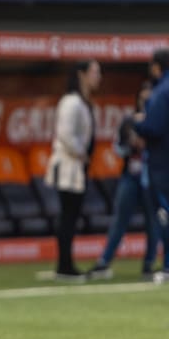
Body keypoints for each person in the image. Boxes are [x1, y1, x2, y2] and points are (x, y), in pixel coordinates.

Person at [88, 81, 160, 280]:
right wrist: (130, 144)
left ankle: (149, 264)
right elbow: (117, 148)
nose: (145, 102)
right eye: (142, 98)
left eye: (149, 98)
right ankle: (104, 262)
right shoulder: (129, 120)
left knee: (153, 222)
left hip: (152, 177)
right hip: (130, 176)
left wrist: (147, 145)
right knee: (120, 219)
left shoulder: (159, 120)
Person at [45, 59, 102, 282]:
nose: (98, 77)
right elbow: (65, 134)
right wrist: (82, 153)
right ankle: (64, 266)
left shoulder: (83, 101)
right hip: (68, 166)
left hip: (77, 167)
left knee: (72, 216)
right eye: (95, 72)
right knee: (67, 216)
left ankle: (67, 264)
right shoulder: (71, 101)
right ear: (82, 74)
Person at [135, 48, 169, 281]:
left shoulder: (160, 92)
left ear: (157, 67)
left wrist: (136, 123)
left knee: (164, 214)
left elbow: (153, 128)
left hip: (162, 164)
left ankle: (168, 266)